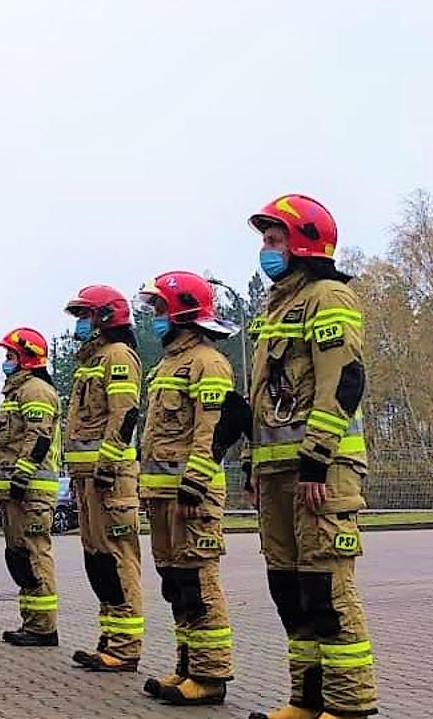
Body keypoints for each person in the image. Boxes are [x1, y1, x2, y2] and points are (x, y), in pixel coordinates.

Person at [243, 194, 379, 719]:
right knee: (290, 589)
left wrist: (317, 460)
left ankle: (347, 707)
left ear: (301, 243)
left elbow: (343, 381)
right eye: (264, 241)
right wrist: (255, 463)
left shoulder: (329, 298)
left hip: (320, 472)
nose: (265, 250)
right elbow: (266, 395)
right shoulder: (276, 307)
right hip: (278, 471)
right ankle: (307, 700)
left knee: (326, 588)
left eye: (273, 240)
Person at [134, 271, 245, 707]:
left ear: (181, 310)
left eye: (159, 308)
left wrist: (194, 487)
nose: (154, 318)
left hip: (190, 496)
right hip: (163, 495)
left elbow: (210, 431)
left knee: (199, 583)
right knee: (176, 583)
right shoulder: (166, 365)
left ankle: (210, 675)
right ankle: (186, 666)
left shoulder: (208, 362)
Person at [61, 285, 148, 673]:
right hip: (87, 479)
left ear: (106, 317)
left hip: (108, 479)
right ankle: (110, 638)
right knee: (98, 562)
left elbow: (124, 415)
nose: (81, 324)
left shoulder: (117, 357)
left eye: (86, 315)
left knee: (118, 560)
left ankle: (126, 647)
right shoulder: (91, 361)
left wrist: (107, 466)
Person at [0, 327, 62, 646]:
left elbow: (38, 437)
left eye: (10, 355)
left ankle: (44, 627)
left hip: (31, 491)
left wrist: (20, 478)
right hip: (15, 493)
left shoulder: (35, 391)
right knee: (19, 558)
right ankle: (32, 622)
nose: (5, 362)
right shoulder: (15, 393)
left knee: (34, 556)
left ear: (26, 358)